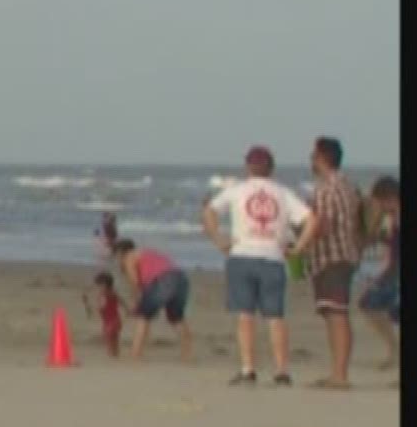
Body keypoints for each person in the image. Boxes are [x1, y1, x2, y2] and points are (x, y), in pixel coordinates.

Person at [200, 145, 310, 386]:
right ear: (271, 167)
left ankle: (248, 368)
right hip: (272, 256)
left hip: (243, 255)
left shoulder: (237, 190)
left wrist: (219, 239)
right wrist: (299, 247)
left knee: (245, 315)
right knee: (275, 317)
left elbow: (209, 211)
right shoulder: (282, 193)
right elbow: (310, 219)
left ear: (248, 167)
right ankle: (281, 370)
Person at [289, 136, 364, 390]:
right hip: (345, 254)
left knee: (336, 313)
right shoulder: (348, 186)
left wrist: (298, 240)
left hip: (332, 256)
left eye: (313, 155)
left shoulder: (326, 188)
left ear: (322, 158)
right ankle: (337, 371)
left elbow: (321, 225)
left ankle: (340, 375)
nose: (310, 160)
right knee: (334, 313)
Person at [114, 239, 192, 362]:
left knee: (143, 316)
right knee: (176, 318)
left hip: (163, 280)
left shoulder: (129, 257)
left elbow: (134, 283)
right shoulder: (147, 253)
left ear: (120, 253)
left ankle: (135, 353)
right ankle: (187, 353)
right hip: (180, 278)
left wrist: (136, 302)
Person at [358, 177, 400, 372]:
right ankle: (394, 349)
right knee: (368, 304)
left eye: (380, 202)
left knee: (383, 308)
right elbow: (378, 242)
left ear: (389, 198)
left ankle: (395, 351)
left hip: (395, 273)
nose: (378, 206)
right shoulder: (391, 218)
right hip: (392, 272)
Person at [85, 271, 125, 358]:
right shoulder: (113, 292)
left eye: (98, 285)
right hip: (117, 320)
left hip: (109, 322)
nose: (97, 287)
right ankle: (116, 354)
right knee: (115, 340)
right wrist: (128, 310)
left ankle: (111, 355)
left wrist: (90, 308)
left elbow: (102, 307)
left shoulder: (103, 295)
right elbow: (121, 301)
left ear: (104, 285)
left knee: (109, 340)